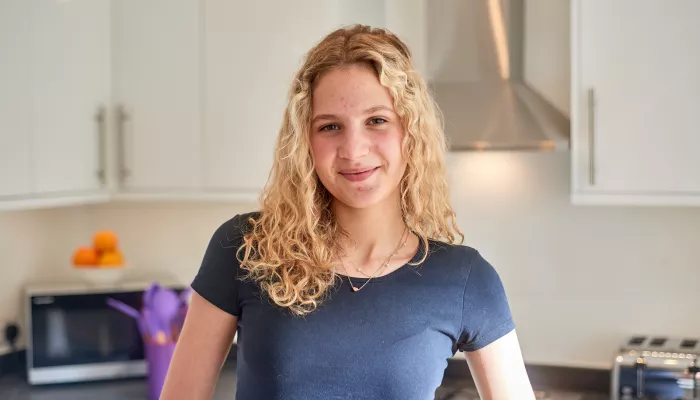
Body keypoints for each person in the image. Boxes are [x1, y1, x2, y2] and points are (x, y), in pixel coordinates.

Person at [160, 24, 534, 400]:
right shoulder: (245, 248)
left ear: (411, 130)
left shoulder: (466, 280)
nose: (353, 150)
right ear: (305, 140)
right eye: (330, 127)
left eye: (377, 120)